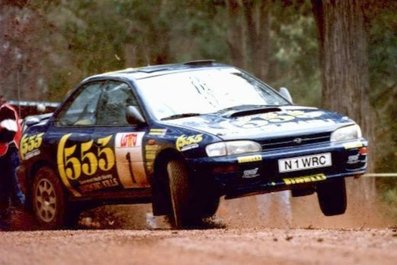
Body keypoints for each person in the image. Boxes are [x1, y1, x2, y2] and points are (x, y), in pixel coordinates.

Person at [0, 94, 26, 230]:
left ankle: (29, 219)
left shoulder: (5, 111)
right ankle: (6, 222)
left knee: (15, 189)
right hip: (4, 155)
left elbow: (9, 133)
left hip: (9, 155)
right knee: (4, 190)